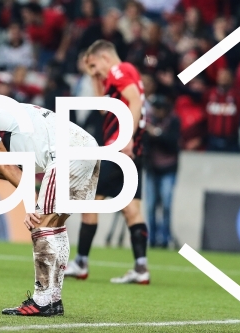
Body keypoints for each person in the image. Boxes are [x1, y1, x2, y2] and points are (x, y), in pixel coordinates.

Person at [0, 103, 100, 316]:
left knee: (39, 224)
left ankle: (42, 301)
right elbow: (14, 170)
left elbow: (8, 166)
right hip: (86, 147)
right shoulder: (4, 128)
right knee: (55, 225)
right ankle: (53, 300)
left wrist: (31, 204)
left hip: (65, 154)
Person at [64, 40, 150, 285]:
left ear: (105, 57)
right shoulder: (115, 77)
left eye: (94, 65)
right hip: (134, 151)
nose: (95, 71)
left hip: (120, 147)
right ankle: (141, 267)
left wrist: (127, 137)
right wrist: (92, 77)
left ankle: (80, 262)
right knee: (131, 209)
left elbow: (135, 101)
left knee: (91, 199)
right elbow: (103, 108)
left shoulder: (119, 70)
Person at [144, 96, 180, 248]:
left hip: (168, 169)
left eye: (159, 109)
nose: (156, 112)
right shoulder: (149, 122)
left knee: (166, 204)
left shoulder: (173, 122)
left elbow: (172, 143)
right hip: (152, 169)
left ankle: (164, 239)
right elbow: (144, 144)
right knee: (150, 206)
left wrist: (157, 134)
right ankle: (152, 239)